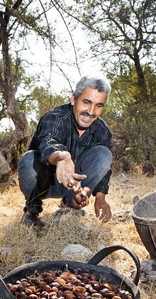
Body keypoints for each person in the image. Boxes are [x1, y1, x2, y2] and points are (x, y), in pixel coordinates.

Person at [17, 75, 114, 226]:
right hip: (45, 183)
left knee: (104, 154)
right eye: (86, 102)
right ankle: (32, 212)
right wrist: (62, 158)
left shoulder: (103, 131)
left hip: (75, 187)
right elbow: (48, 141)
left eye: (98, 105)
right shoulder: (54, 117)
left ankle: (69, 208)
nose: (91, 111)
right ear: (74, 99)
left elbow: (104, 168)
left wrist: (101, 198)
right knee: (28, 159)